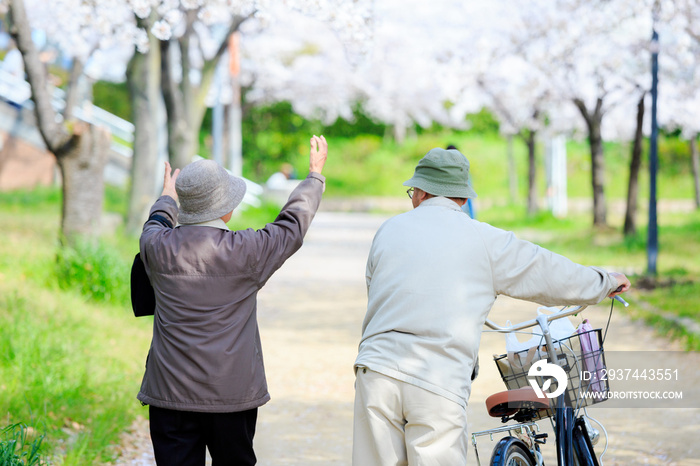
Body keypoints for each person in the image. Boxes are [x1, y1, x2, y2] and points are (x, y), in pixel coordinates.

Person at [352, 147, 630, 466]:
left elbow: (377, 290)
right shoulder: (483, 238)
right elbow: (546, 270)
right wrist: (604, 281)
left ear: (421, 191)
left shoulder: (388, 230)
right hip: (436, 376)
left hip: (376, 373)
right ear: (462, 198)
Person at [137, 135, 328, 466]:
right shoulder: (247, 251)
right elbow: (291, 226)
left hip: (169, 396)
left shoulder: (155, 246)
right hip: (231, 397)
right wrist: (313, 177)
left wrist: (167, 197)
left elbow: (156, 222)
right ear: (226, 209)